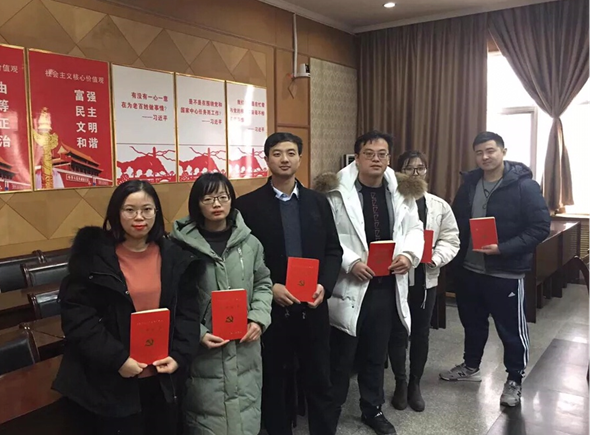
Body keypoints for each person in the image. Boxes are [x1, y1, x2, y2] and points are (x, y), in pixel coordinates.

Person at [53, 180, 203, 435]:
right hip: (110, 382)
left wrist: (179, 355)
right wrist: (118, 359)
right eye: (130, 210)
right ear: (116, 213)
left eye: (147, 209)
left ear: (156, 212)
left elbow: (187, 313)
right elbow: (79, 319)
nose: (139, 217)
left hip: (162, 378)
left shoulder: (175, 256)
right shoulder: (93, 257)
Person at [313, 130, 425, 435]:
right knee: (342, 355)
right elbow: (328, 234)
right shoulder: (336, 191)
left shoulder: (400, 190)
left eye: (382, 154)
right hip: (351, 283)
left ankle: (372, 409)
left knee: (376, 353)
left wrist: (409, 255)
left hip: (386, 285)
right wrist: (351, 262)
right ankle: (331, 411)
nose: (376, 159)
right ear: (357, 157)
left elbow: (415, 228)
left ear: (389, 158)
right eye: (369, 154)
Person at [234, 132, 342, 435]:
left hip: (313, 307)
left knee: (320, 380)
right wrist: (270, 288)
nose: (285, 159)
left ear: (299, 158)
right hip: (272, 311)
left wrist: (324, 286)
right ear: (266, 159)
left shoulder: (318, 202)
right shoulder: (247, 206)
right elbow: (243, 260)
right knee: (275, 382)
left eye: (291, 153)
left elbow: (334, 250)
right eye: (277, 153)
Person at [439, 131, 550, 407]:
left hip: (505, 272)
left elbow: (540, 228)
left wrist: (503, 248)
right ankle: (471, 366)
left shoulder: (525, 186)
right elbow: (456, 222)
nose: (485, 157)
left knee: (511, 330)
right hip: (469, 270)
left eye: (490, 151)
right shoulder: (469, 184)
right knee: (472, 323)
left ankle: (514, 379)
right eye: (479, 152)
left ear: (503, 151)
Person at [170, 172, 273, 435]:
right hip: (204, 351)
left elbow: (263, 283)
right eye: (208, 199)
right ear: (197, 204)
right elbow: (172, 298)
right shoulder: (179, 247)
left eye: (223, 197)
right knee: (207, 418)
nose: (217, 204)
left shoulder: (250, 243)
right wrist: (197, 333)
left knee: (246, 414)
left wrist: (258, 318)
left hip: (246, 346)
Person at [388, 150, 460, 412]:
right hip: (396, 278)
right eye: (409, 168)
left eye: (420, 168)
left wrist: (436, 257)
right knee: (397, 332)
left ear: (426, 171)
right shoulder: (391, 201)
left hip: (425, 280)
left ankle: (414, 384)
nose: (415, 174)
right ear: (399, 172)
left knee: (420, 333)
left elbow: (451, 238)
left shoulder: (439, 205)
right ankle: (400, 382)